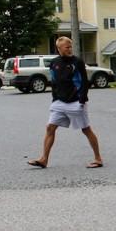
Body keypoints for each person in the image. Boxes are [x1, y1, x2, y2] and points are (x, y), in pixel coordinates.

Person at [27, 37, 104, 169]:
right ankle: (44, 159)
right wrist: (55, 97)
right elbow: (54, 81)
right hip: (59, 102)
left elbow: (84, 82)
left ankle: (98, 158)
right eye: (67, 47)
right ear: (59, 48)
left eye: (71, 47)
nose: (70, 49)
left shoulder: (77, 62)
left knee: (86, 130)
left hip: (76, 102)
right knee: (50, 128)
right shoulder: (54, 62)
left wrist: (82, 99)